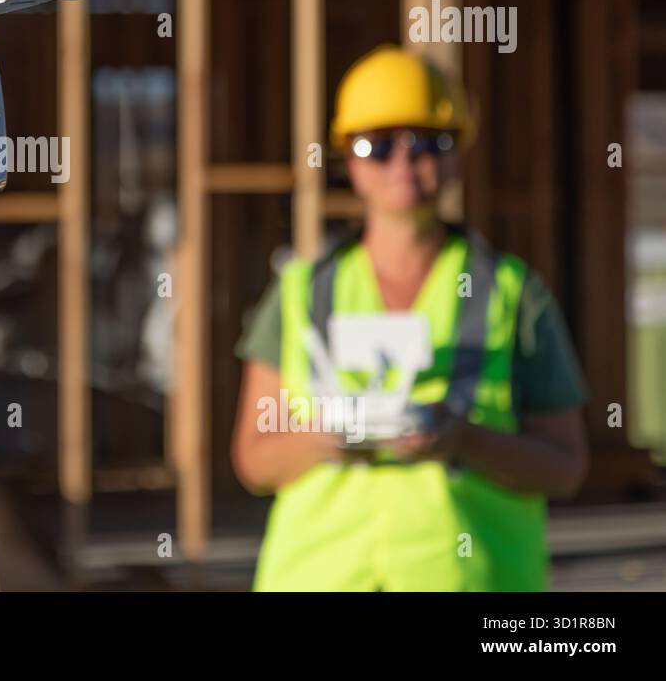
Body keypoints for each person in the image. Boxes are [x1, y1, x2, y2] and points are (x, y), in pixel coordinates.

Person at [231, 45, 589, 591]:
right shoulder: (299, 293)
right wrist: (326, 440)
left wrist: (463, 440)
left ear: (458, 154)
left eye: (427, 141)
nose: (402, 160)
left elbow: (564, 466)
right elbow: (255, 460)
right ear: (349, 159)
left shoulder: (515, 294)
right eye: (376, 144)